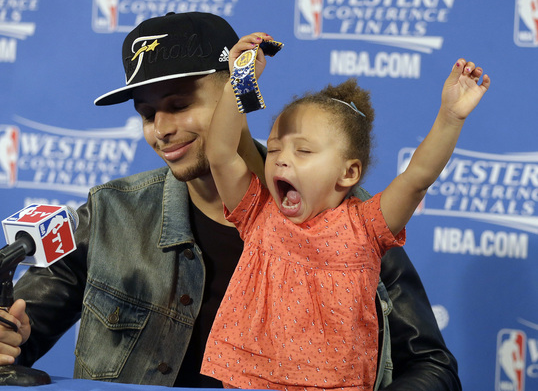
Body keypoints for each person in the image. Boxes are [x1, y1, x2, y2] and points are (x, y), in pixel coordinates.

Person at [0, 12, 463, 390]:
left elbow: (431, 367)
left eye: (179, 105)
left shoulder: (347, 219)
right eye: (148, 113)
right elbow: (12, 333)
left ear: (230, 100)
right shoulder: (110, 215)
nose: (162, 130)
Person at [199, 33, 490, 390]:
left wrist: (450, 116)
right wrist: (239, 80)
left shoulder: (366, 227)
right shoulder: (258, 213)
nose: (282, 159)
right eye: (274, 149)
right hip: (246, 378)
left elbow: (417, 178)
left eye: (304, 151)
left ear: (348, 172)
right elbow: (221, 154)